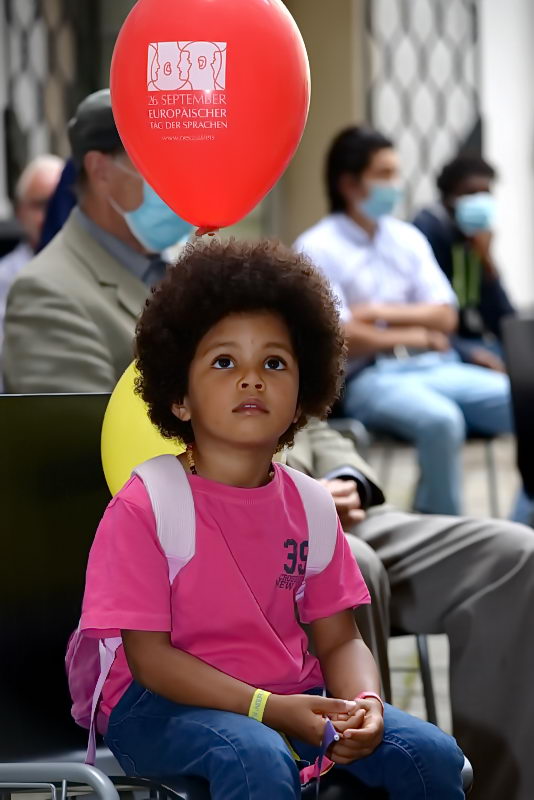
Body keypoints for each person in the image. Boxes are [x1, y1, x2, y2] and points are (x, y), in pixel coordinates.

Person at [80, 240, 464, 799]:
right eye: (224, 362)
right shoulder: (147, 505)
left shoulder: (311, 504)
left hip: (288, 694)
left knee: (431, 754)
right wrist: (269, 709)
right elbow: (151, 661)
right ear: (179, 397)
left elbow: (340, 640)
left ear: (302, 396)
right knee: (254, 754)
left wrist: (366, 705)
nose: (252, 378)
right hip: (160, 705)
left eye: (275, 363)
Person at [289, 418, 534, 800]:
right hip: (254, 526)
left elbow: (314, 428)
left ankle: (492, 791)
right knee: (356, 565)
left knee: (515, 556)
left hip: (345, 515)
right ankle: (377, 767)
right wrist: (292, 499)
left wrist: (348, 479)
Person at [294, 125, 513, 516]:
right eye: (384, 174)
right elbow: (341, 334)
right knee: (442, 422)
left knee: (523, 401)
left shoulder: (407, 238)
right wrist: (418, 333)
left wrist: (376, 314)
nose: (395, 184)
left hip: (435, 365)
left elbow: (445, 315)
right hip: (370, 378)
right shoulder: (317, 247)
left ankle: (523, 521)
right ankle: (440, 534)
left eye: (396, 172)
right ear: (349, 183)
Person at [2, 89, 190, 394]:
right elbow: (79, 422)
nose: (179, 180)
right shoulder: (48, 294)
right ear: (100, 170)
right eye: (156, 162)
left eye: (184, 162)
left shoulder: (183, 265)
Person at [413, 154, 515, 371]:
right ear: (449, 196)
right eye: (471, 193)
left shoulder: (473, 236)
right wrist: (468, 353)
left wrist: (486, 259)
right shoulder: (427, 231)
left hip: (478, 342)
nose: (480, 201)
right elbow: (425, 313)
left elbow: (504, 318)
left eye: (485, 193)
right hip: (441, 347)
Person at [0, 154, 63, 389]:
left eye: (58, 203)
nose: (51, 215)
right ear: (19, 211)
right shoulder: (4, 279)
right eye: (40, 204)